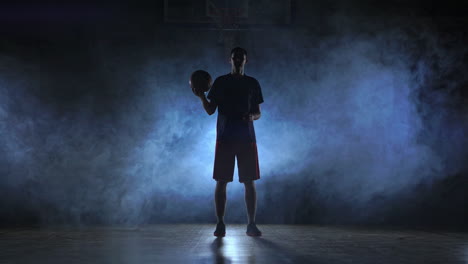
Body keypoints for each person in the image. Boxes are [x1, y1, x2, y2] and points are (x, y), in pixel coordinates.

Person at [196, 47, 264, 237]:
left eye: (241, 58)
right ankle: (220, 223)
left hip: (247, 138)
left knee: (249, 182)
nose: (238, 61)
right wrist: (201, 96)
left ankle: (251, 224)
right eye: (235, 58)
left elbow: (258, 112)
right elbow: (210, 110)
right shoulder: (221, 82)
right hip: (225, 138)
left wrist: (252, 116)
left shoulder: (252, 83)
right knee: (221, 181)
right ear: (230, 60)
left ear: (246, 61)